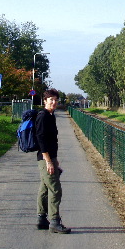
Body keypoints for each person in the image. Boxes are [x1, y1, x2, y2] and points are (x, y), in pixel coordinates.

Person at [35, 88, 71, 234]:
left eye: (56, 100)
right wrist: (49, 161)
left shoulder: (51, 116)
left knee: (44, 188)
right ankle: (54, 221)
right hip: (45, 158)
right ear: (45, 101)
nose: (54, 102)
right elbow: (41, 139)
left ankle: (42, 218)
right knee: (55, 189)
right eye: (51, 100)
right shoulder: (43, 116)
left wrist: (54, 160)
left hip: (50, 158)